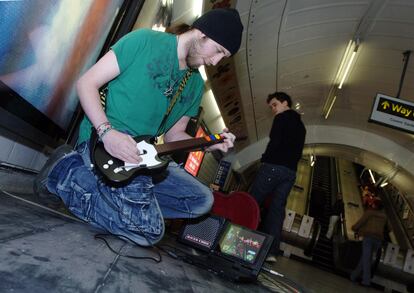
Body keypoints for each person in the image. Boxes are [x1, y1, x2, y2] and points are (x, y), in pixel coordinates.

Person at [33, 8, 243, 246]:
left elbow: (175, 136)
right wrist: (107, 132)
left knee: (201, 200)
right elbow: (86, 83)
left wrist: (209, 145)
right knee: (148, 233)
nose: (215, 62)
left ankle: (118, 200)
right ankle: (65, 171)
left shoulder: (194, 84)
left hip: (142, 158)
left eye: (222, 57)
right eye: (218, 51)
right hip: (102, 144)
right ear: (202, 32)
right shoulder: (144, 41)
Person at [249, 92, 306, 262]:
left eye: (274, 104)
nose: (273, 109)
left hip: (273, 167)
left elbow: (274, 142)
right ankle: (271, 252)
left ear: (285, 102)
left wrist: (265, 160)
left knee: (252, 202)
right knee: (276, 211)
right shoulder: (301, 126)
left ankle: (234, 238)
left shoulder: (281, 118)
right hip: (290, 173)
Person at [350, 198, 391, 287]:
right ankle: (353, 276)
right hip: (378, 240)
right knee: (365, 258)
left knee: (366, 259)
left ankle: (366, 281)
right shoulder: (384, 216)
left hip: (369, 237)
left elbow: (361, 222)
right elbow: (389, 229)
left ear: (374, 205)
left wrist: (354, 228)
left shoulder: (369, 213)